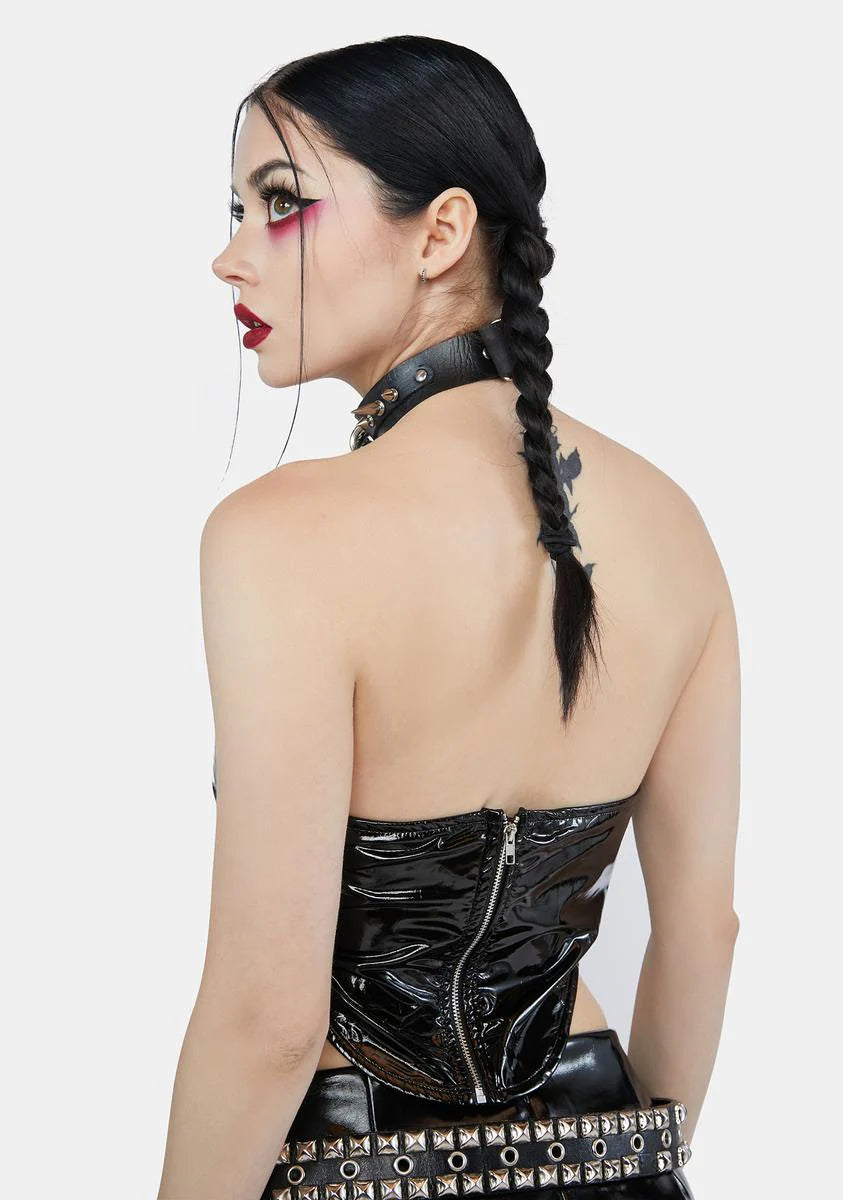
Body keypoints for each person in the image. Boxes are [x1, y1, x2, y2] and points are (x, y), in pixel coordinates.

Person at [157, 35, 740, 1200]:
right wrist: (639, 1170)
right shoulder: (673, 524)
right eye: (236, 210)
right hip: (612, 1147)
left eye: (281, 204)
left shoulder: (280, 535)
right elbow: (702, 933)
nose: (229, 256)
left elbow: (269, 1019)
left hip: (351, 1162)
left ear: (441, 233)